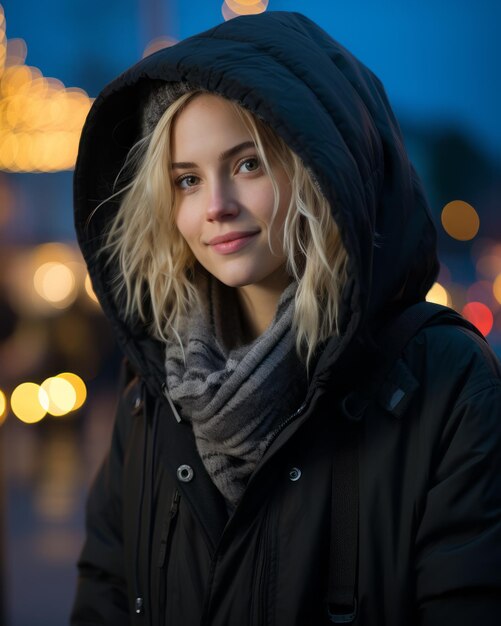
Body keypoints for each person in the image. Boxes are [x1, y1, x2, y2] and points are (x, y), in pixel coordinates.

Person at [70, 10, 501, 626]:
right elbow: (104, 596)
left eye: (248, 164)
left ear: (322, 171)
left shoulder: (448, 385)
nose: (215, 206)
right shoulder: (154, 399)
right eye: (187, 180)